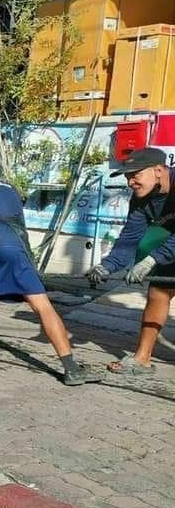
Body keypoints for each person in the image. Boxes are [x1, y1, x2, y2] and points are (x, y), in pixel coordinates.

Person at [0, 155, 102, 386]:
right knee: (42, 303)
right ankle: (71, 368)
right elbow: (20, 228)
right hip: (14, 241)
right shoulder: (10, 190)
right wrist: (28, 264)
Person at [85, 147, 175, 376]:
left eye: (136, 174)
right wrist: (108, 265)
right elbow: (130, 238)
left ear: (158, 170)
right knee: (158, 292)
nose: (130, 182)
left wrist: (152, 259)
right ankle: (142, 360)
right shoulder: (142, 199)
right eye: (127, 176)